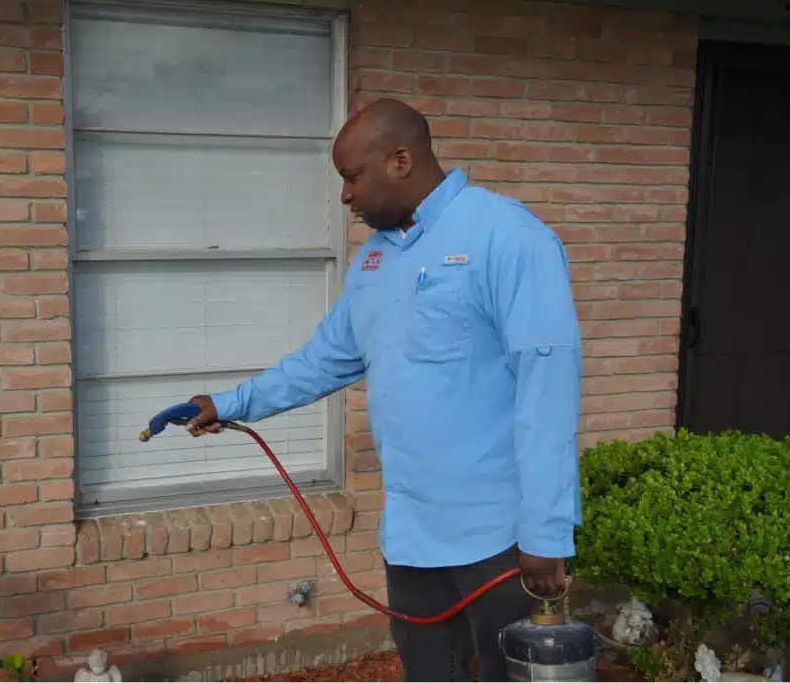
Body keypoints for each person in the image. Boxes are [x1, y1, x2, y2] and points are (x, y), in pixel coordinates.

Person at [185, 97, 583, 683]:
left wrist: (546, 532)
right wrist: (231, 404)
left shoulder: (509, 238)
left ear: (400, 160)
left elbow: (547, 393)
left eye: (352, 177)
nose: (345, 195)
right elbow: (323, 360)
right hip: (412, 541)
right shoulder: (373, 261)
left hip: (499, 542)